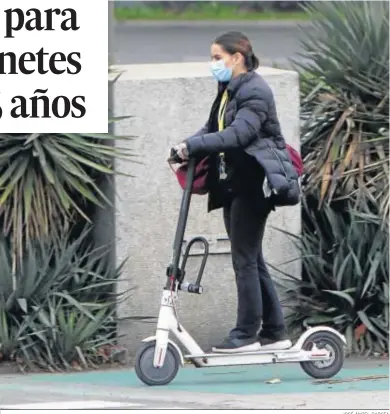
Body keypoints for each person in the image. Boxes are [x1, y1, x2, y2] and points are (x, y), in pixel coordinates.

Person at [173, 31, 299, 354]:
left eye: (217, 57)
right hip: (235, 185)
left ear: (237, 58)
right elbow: (212, 129)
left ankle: (246, 334)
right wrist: (185, 146)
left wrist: (194, 146)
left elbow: (238, 135)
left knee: (244, 260)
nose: (213, 64)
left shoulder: (256, 91)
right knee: (252, 259)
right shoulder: (229, 89)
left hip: (255, 186)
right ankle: (275, 331)